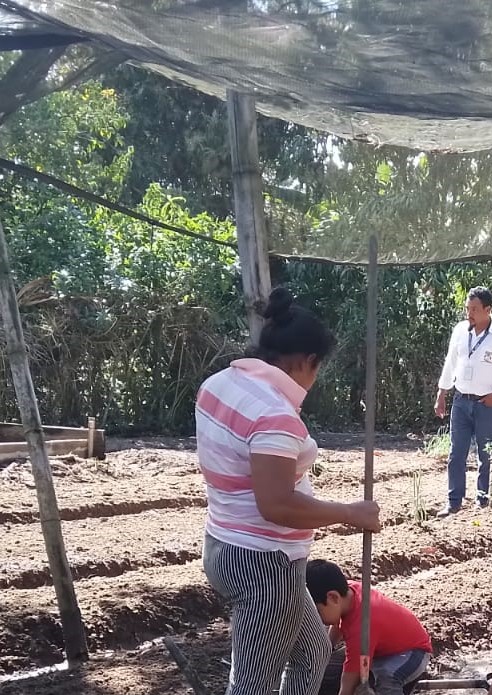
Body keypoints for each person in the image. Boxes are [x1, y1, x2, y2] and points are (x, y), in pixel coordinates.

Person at [198, 287, 382, 695]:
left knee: (313, 651)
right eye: (318, 369)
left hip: (224, 542)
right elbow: (276, 504)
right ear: (307, 361)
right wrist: (350, 513)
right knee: (252, 686)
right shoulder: (274, 415)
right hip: (264, 564)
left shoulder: (219, 384)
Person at [433, 286, 492, 517]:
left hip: (486, 404)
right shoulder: (460, 331)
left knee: (487, 453)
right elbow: (450, 362)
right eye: (467, 308)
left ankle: (484, 499)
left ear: (488, 309)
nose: (469, 313)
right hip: (461, 401)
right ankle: (453, 502)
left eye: (474, 309)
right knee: (456, 453)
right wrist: (442, 393)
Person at [307, 559, 434, 695]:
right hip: (378, 649)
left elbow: (349, 679)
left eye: (318, 611)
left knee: (386, 678)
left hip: (411, 652)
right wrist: (326, 650)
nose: (316, 618)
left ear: (333, 597)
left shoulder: (362, 626)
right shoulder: (347, 593)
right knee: (328, 669)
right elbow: (338, 624)